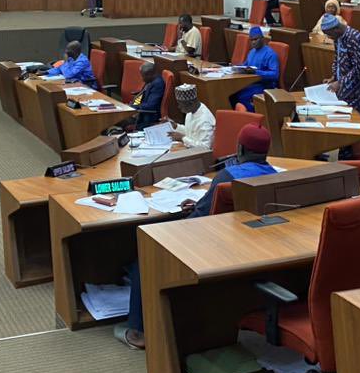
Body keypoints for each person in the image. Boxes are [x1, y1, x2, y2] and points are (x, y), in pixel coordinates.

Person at [115, 124, 277, 350]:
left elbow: (201, 217)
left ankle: (138, 331)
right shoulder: (274, 176)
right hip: (245, 245)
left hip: (206, 244)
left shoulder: (227, 176)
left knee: (146, 249)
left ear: (239, 148)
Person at [320, 14, 360, 117]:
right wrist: (334, 77)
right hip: (344, 84)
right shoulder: (338, 37)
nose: (328, 37)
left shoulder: (354, 38)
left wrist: (340, 82)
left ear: (336, 29)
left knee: (354, 118)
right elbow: (338, 58)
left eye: (329, 34)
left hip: (358, 88)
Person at [231, 27, 280, 111]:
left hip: (264, 85)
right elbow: (245, 66)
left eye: (255, 39)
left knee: (241, 96)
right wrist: (235, 68)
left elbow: (275, 75)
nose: (253, 42)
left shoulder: (270, 54)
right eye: (251, 40)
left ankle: (252, 115)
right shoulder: (251, 52)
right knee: (232, 93)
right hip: (251, 83)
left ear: (262, 38)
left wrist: (256, 72)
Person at [168, 83, 215, 149]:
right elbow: (191, 133)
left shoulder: (204, 120)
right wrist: (176, 126)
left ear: (190, 103)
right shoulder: (191, 111)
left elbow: (206, 147)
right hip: (191, 149)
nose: (178, 107)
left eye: (180, 104)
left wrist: (182, 138)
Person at [129, 62, 164, 129]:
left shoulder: (158, 84)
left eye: (143, 76)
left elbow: (151, 106)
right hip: (141, 114)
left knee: (120, 121)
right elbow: (142, 95)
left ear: (150, 74)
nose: (142, 79)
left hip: (147, 118)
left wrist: (134, 106)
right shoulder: (151, 81)